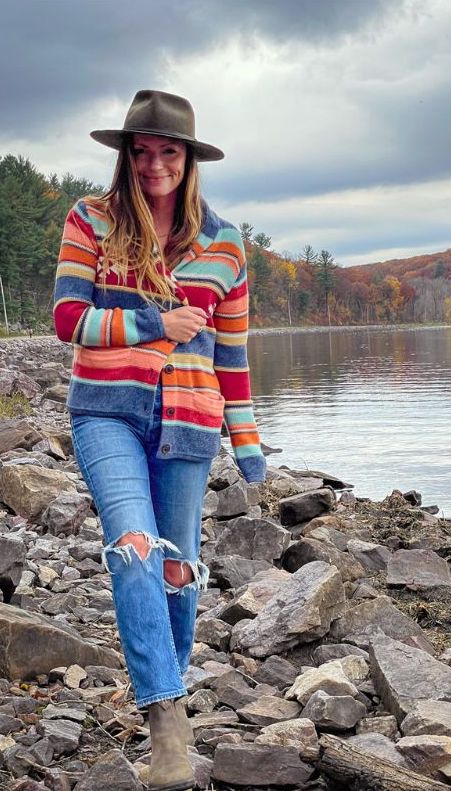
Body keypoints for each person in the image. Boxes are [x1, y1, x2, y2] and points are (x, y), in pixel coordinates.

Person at [52, 89, 262, 791]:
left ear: (189, 158)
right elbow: (66, 319)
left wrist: (250, 439)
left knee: (178, 571)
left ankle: (164, 689)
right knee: (134, 548)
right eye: (140, 151)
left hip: (191, 423)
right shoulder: (92, 220)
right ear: (125, 155)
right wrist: (150, 324)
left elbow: (230, 354)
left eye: (167, 151)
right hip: (106, 410)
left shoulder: (225, 243)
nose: (152, 164)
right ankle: (166, 718)